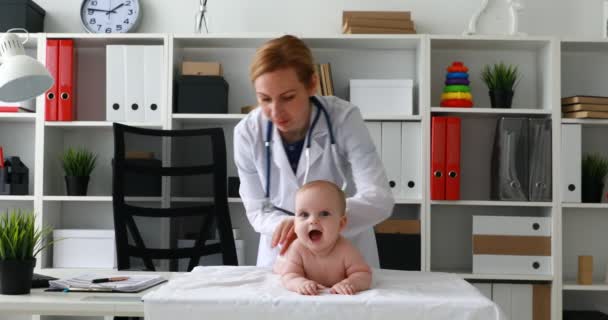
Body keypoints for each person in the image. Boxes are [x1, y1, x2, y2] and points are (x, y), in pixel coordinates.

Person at [234, 34, 394, 268]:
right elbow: (257, 210)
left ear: (311, 84)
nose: (276, 111)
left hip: (346, 253)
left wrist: (320, 222)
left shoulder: (344, 118)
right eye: (264, 99)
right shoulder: (247, 132)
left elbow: (379, 199)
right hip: (284, 253)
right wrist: (296, 225)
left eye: (288, 97)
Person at [273, 180, 372, 295]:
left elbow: (364, 275)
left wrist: (350, 283)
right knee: (282, 267)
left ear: (341, 224)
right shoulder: (298, 249)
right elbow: (289, 276)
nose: (313, 220)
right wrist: (300, 283)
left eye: (324, 214)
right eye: (304, 214)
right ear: (295, 224)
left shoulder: (346, 250)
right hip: (285, 265)